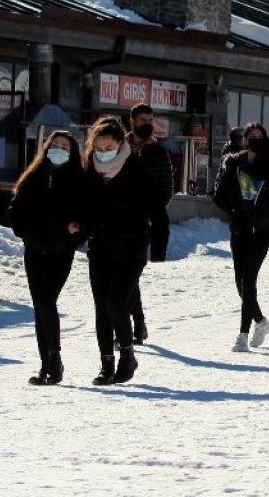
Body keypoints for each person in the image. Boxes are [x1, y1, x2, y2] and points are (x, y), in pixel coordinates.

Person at [79, 117, 158, 385]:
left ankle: (127, 355)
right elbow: (85, 205)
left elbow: (155, 206)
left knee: (116, 302)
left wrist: (158, 245)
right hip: (100, 247)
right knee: (102, 307)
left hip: (132, 247)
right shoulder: (91, 169)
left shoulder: (135, 167)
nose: (103, 153)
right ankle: (106, 364)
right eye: (99, 148)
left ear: (120, 143)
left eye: (108, 147)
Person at [8, 131, 86, 385]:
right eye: (55, 145)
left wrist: (75, 232)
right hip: (34, 250)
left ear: (73, 152)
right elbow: (14, 210)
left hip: (61, 251)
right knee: (39, 306)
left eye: (65, 146)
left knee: (46, 300)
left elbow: (87, 217)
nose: (59, 149)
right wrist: (24, 232)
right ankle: (46, 364)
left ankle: (55, 360)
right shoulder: (33, 177)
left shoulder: (78, 180)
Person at [214, 122, 269, 353]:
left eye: (260, 136)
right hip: (238, 230)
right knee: (240, 284)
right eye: (251, 136)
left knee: (249, 281)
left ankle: (242, 336)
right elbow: (219, 195)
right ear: (245, 140)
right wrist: (234, 211)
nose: (256, 139)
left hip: (260, 232)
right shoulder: (234, 164)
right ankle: (261, 323)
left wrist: (263, 213)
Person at [125, 104, 174, 347]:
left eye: (150, 120)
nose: (147, 123)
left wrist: (149, 212)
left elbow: (166, 190)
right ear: (132, 120)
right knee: (122, 275)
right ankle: (137, 322)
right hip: (117, 221)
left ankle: (136, 323)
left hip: (142, 223)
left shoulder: (158, 152)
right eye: (143, 119)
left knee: (130, 274)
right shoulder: (118, 147)